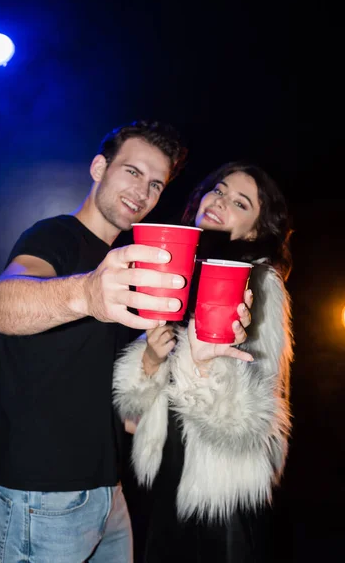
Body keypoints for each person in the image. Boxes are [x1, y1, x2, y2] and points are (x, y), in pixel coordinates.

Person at [0, 121, 252, 563]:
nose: (143, 192)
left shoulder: (126, 269)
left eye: (156, 183)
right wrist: (85, 294)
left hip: (107, 493)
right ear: (99, 167)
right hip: (41, 498)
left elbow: (123, 413)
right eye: (132, 172)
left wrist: (172, 361)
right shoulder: (54, 237)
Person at [113, 161, 294, 563]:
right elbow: (132, 415)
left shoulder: (259, 285)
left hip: (220, 488)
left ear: (257, 230)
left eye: (240, 202)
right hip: (165, 479)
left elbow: (249, 421)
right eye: (219, 189)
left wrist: (204, 366)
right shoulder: (176, 274)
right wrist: (150, 358)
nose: (220, 201)